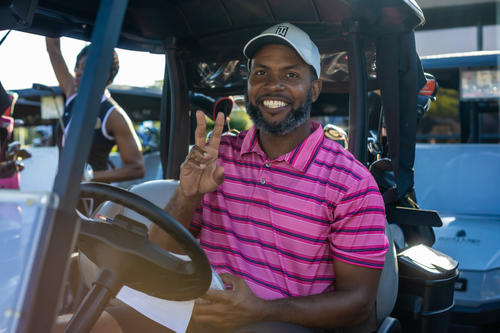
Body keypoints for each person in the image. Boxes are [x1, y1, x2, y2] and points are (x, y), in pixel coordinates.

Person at [56, 22, 388, 333]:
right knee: (72, 325)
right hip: (192, 312)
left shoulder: (351, 183)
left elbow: (359, 303)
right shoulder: (219, 155)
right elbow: (160, 249)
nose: (274, 85)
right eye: (261, 72)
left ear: (314, 89)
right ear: (249, 85)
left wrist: (259, 309)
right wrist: (188, 194)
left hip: (282, 323)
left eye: (290, 74)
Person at [46, 37, 145, 184]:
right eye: (76, 68)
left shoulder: (113, 115)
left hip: (92, 200)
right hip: (63, 194)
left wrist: (90, 177)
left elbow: (137, 168)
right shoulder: (73, 96)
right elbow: (53, 48)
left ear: (104, 74)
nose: (77, 73)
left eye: (84, 68)